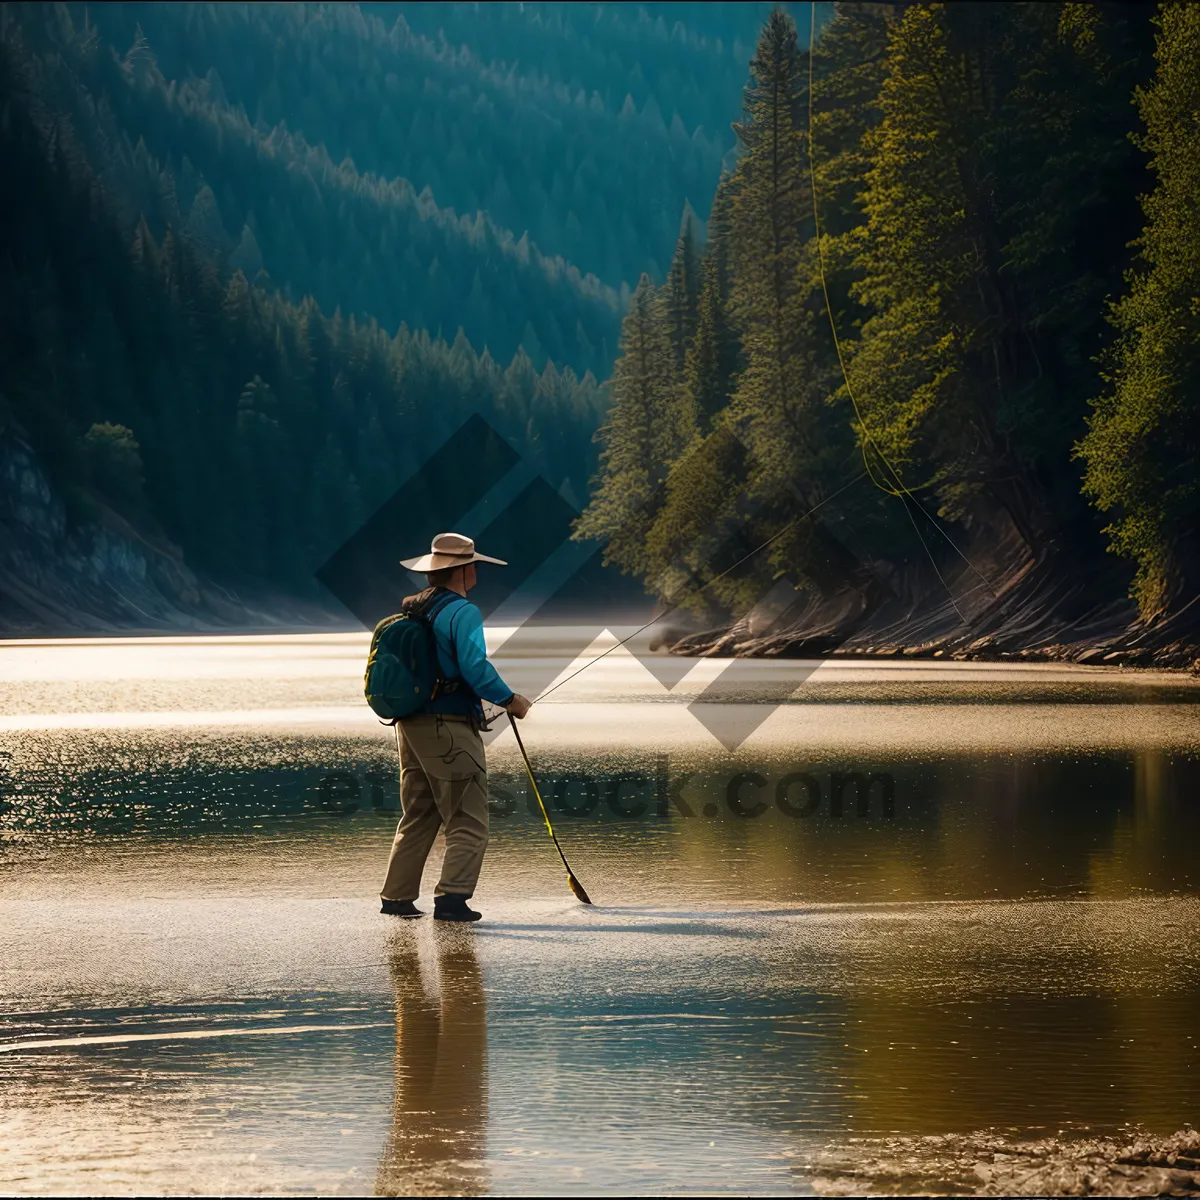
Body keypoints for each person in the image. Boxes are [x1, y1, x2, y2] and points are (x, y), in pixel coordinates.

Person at [379, 531, 531, 922]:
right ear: (463, 570)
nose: (477, 570)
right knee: (467, 816)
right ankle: (452, 900)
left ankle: (396, 899)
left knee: (420, 811)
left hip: (409, 724)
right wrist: (511, 700)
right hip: (447, 725)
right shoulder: (463, 612)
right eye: (474, 564)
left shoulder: (414, 608)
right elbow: (474, 668)